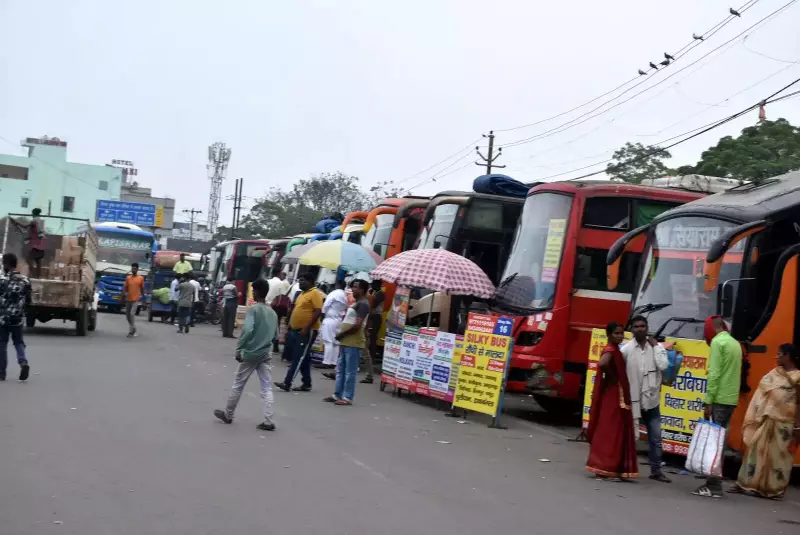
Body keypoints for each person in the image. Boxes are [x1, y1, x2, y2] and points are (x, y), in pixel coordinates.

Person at [728, 343, 800, 500]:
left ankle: (774, 490)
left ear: (788, 356)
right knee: (755, 452)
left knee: (779, 458)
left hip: (785, 424)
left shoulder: (798, 377)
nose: (777, 357)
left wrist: (797, 428)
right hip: (767, 419)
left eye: (780, 354)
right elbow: (762, 392)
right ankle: (745, 484)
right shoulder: (774, 373)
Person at [214, 279, 279, 431]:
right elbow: (275, 335)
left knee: (239, 384)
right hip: (265, 353)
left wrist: (239, 349)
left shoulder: (254, 310)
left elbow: (248, 331)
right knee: (266, 387)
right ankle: (268, 420)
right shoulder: (272, 312)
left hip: (251, 353)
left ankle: (228, 415)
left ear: (256, 291)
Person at [693, 315, 742, 498]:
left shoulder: (717, 343)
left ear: (711, 329)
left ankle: (713, 485)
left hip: (719, 400)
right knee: (721, 442)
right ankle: (714, 483)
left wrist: (708, 401)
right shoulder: (734, 344)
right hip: (731, 400)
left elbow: (714, 374)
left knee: (714, 444)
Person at [586, 321, 639, 480]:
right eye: (616, 333)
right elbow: (603, 364)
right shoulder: (610, 350)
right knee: (611, 431)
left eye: (621, 333)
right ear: (608, 335)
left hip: (617, 394)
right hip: (614, 395)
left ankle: (611, 467)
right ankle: (604, 466)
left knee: (615, 430)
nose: (620, 336)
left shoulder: (616, 350)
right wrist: (613, 377)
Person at [622, 315, 670, 482]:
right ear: (632, 330)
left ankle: (656, 471)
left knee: (656, 437)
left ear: (647, 328)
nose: (640, 329)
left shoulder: (656, 347)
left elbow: (663, 365)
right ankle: (625, 469)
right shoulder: (626, 350)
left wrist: (657, 346)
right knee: (630, 436)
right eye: (636, 326)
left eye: (643, 326)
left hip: (651, 400)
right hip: (634, 400)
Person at [324, 280, 370, 406]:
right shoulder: (357, 303)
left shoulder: (363, 304)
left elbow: (358, 325)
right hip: (346, 341)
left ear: (363, 290)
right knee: (341, 369)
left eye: (356, 287)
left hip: (353, 341)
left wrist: (342, 334)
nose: (353, 290)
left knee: (350, 371)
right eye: (352, 287)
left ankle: (347, 396)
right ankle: (337, 394)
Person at [275, 272, 323, 393]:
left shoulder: (315, 293)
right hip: (296, 330)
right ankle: (307, 383)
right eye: (299, 280)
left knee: (298, 357)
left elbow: (318, 311)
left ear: (310, 282)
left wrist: (306, 328)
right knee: (303, 357)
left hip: (306, 331)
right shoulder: (302, 294)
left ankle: (287, 382)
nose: (300, 283)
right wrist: (289, 327)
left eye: (302, 280)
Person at [0, 253, 31, 381]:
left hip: (2, 318)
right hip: (17, 318)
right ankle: (23, 362)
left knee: (2, 344)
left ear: (6, 264)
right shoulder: (25, 280)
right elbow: (28, 300)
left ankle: (1, 373)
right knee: (18, 342)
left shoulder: (2, 280)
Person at [318, 280, 348, 369]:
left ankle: (326, 362)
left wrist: (322, 315)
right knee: (335, 342)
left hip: (330, 319)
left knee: (328, 341)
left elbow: (326, 305)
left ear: (337, 285)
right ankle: (333, 362)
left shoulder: (334, 293)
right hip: (338, 319)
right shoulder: (345, 295)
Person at [362, 279, 385, 384]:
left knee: (372, 337)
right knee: (369, 337)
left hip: (375, 317)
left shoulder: (380, 294)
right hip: (371, 316)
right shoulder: (374, 292)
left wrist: (369, 295)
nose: (373, 285)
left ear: (379, 284)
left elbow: (373, 304)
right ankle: (368, 358)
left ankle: (371, 358)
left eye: (375, 284)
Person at [122, 263, 146, 338]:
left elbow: (142, 289)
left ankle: (131, 331)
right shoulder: (128, 278)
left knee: (132, 314)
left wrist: (143, 298)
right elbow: (125, 288)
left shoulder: (141, 278)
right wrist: (122, 296)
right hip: (128, 299)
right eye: (132, 268)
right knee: (127, 316)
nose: (133, 270)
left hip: (135, 300)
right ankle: (133, 327)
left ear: (137, 269)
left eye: (135, 268)